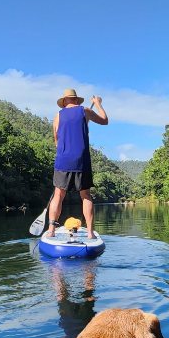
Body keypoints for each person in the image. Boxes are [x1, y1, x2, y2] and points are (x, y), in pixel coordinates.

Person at [45, 89, 109, 238]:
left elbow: (56, 140)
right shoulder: (85, 111)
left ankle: (51, 231)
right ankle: (90, 233)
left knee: (58, 195)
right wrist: (98, 104)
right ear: (76, 100)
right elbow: (105, 120)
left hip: (63, 160)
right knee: (85, 195)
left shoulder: (57, 116)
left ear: (64, 101)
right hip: (81, 160)